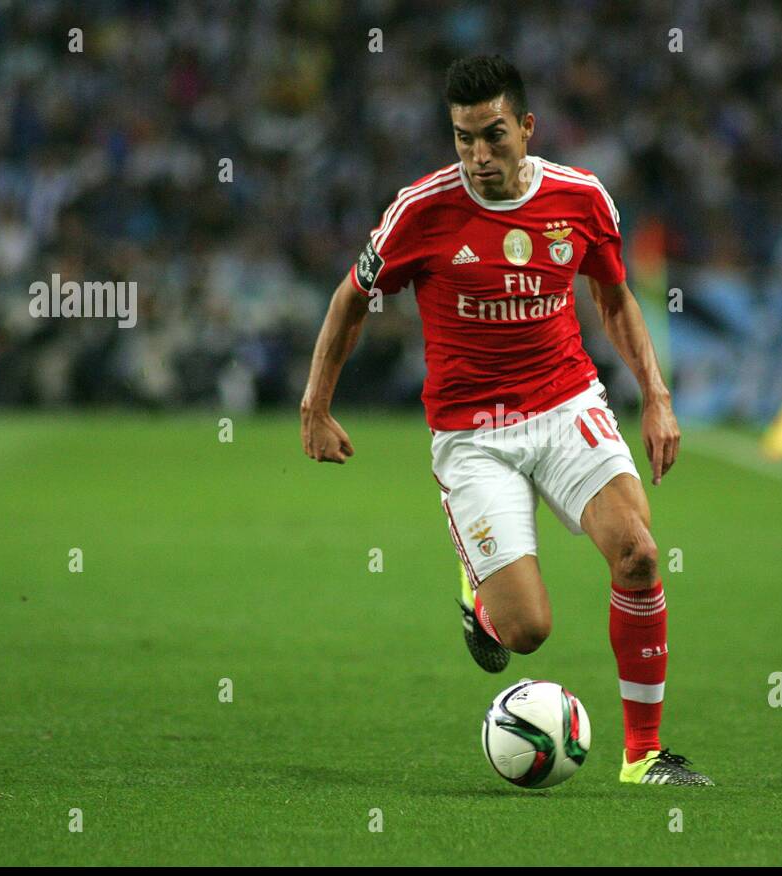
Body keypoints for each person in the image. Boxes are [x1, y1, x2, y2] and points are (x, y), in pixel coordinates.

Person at [299, 55, 712, 786]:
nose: (478, 156)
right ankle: (480, 597)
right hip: (472, 436)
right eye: (462, 140)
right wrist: (316, 405)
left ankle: (644, 755)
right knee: (527, 632)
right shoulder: (420, 211)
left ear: (526, 127)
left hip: (565, 406)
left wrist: (657, 395)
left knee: (640, 554)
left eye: (492, 136)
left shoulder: (580, 198)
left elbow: (614, 301)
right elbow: (350, 300)